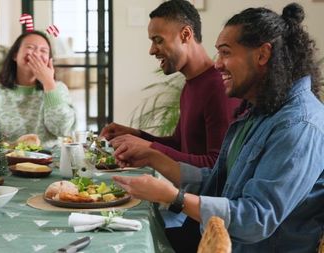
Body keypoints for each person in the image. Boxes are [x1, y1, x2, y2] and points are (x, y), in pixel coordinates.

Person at [113, 3, 324, 252]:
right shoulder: (259, 111)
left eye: (225, 53)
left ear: (262, 55)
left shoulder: (298, 125)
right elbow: (219, 181)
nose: (217, 64)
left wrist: (173, 197)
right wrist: (153, 159)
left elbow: (255, 219)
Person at [100, 0, 240, 168]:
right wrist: (137, 135)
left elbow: (218, 166)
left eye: (158, 40)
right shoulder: (191, 84)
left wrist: (150, 149)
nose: (152, 50)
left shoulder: (218, 87)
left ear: (185, 35)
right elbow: (178, 145)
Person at [0, 31, 76, 147]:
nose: (36, 54)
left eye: (43, 50)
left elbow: (62, 129)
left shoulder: (58, 89)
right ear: (15, 55)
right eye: (30, 48)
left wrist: (49, 83)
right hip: (4, 164)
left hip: (47, 164)